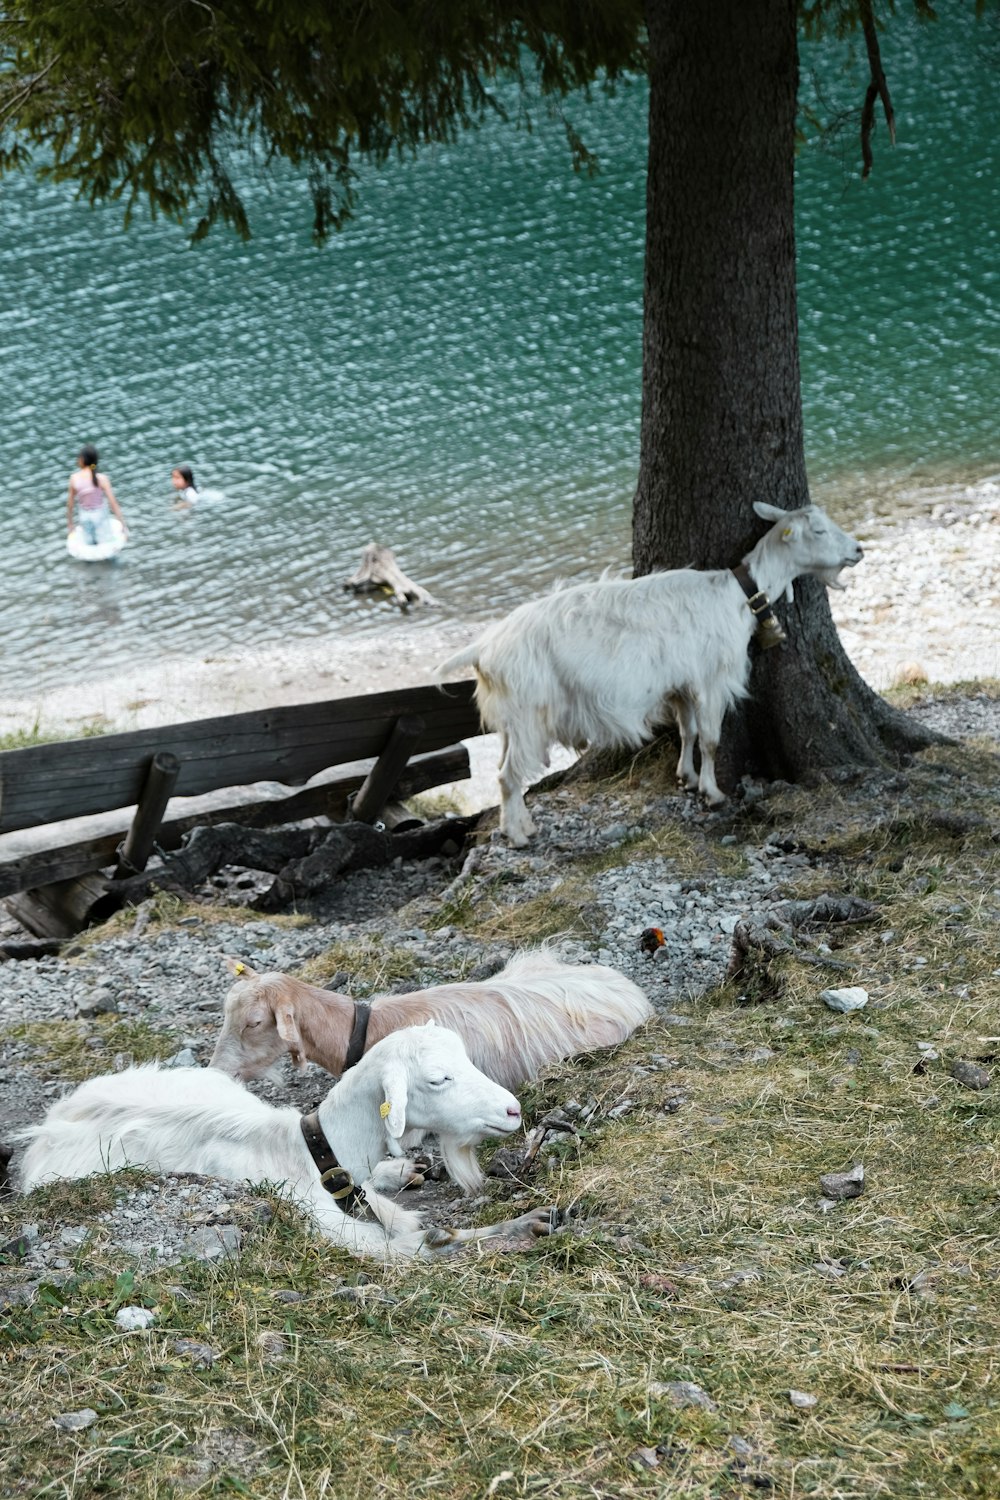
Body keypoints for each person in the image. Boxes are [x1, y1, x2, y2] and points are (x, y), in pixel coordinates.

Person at [67, 445, 128, 546]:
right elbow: (113, 503)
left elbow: (70, 504)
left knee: (89, 547)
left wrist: (70, 525)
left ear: (82, 459)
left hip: (84, 516)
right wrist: (123, 524)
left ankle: (90, 562)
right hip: (100, 516)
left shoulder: (74, 478)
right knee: (107, 546)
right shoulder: (102, 478)